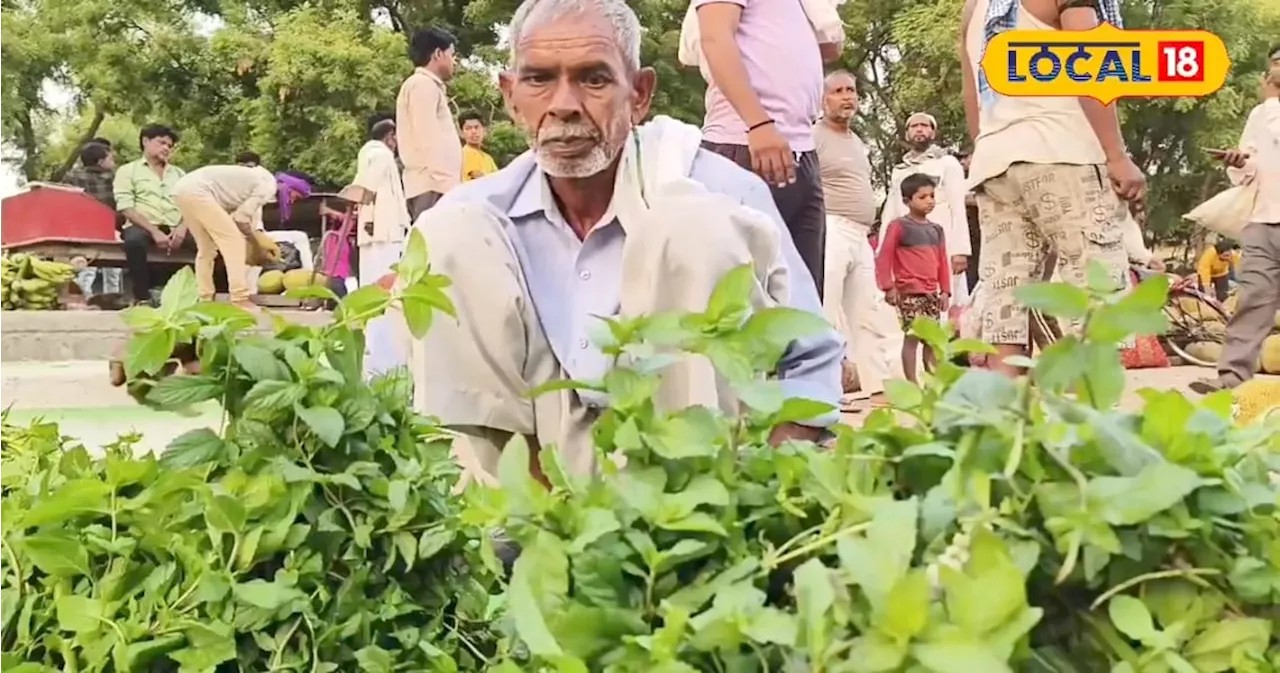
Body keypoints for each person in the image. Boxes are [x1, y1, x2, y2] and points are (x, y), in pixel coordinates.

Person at [403, 0, 842, 484]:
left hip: (701, 487)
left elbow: (813, 363)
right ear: (510, 96)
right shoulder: (483, 215)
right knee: (450, 235)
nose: (564, 104)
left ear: (639, 94)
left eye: (593, 79)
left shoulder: (718, 190)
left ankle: (690, 517)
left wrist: (759, 491)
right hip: (540, 487)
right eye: (538, 79)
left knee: (693, 227)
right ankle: (532, 529)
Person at [959, 0, 1145, 377]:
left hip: (996, 161)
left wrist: (992, 150)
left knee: (1006, 300)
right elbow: (1091, 67)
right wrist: (1116, 155)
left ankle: (1003, 423)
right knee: (1095, 290)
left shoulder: (975, 6)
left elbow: (973, 95)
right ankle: (1087, 423)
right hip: (1063, 151)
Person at [692, 0, 841, 296]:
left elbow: (832, 49)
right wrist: (758, 124)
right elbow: (714, 37)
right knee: (737, 298)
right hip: (744, 142)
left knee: (804, 300)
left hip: (801, 148)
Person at [812, 71, 902, 407]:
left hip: (860, 234)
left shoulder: (857, 140)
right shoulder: (814, 135)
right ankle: (822, 392)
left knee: (868, 311)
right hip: (831, 227)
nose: (847, 97)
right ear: (823, 100)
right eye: (838, 91)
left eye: (851, 90)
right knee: (826, 308)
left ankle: (878, 388)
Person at [1191, 66, 1280, 394]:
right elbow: (1249, 169)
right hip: (1262, 220)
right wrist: (1238, 162)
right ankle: (1231, 378)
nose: (1276, 68)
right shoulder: (1259, 115)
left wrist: (1272, 101)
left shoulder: (1268, 110)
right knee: (1252, 301)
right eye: (1274, 63)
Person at [881, 112, 971, 304]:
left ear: (933, 132)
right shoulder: (900, 170)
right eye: (914, 126)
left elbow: (958, 207)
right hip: (907, 248)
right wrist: (882, 248)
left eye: (924, 125)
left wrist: (961, 250)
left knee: (946, 303)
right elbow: (891, 211)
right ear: (907, 134)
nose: (919, 129)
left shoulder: (947, 164)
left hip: (941, 244)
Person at [170, 155, 280, 307]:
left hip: (180, 190)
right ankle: (239, 298)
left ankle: (205, 298)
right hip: (199, 191)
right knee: (234, 242)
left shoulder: (247, 181)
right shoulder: (268, 186)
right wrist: (255, 242)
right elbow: (241, 219)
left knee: (206, 249)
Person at [876, 174, 951, 383]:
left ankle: (932, 382)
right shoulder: (899, 226)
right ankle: (912, 384)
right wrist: (888, 287)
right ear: (907, 201)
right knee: (912, 337)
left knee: (931, 340)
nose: (929, 201)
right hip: (908, 291)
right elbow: (884, 257)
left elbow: (942, 262)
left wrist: (945, 291)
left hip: (931, 293)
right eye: (922, 197)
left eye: (932, 196)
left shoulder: (936, 230)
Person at [353, 118, 412, 376]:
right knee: (386, 293)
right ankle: (386, 357)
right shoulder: (381, 156)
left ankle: (379, 354)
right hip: (384, 232)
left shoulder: (369, 154)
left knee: (376, 291)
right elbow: (365, 188)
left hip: (376, 230)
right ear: (390, 136)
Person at [113, 124, 190, 305]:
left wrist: (183, 227)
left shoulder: (179, 174)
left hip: (176, 225)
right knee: (134, 242)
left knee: (210, 242)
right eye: (162, 142)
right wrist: (155, 232)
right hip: (142, 225)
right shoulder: (127, 171)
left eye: (170, 146)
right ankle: (142, 297)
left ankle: (205, 295)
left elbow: (191, 205)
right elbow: (126, 207)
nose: (166, 148)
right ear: (145, 141)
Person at [396, 27, 462, 221]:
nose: (454, 61)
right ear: (438, 54)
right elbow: (428, 138)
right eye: (452, 55)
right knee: (436, 248)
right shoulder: (421, 84)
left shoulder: (426, 85)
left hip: (436, 186)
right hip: (433, 186)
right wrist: (445, 184)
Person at [64, 142, 124, 296]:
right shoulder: (114, 177)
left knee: (87, 268)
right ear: (101, 161)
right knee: (113, 270)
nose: (113, 163)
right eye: (111, 159)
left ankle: (84, 296)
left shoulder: (71, 176)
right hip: (110, 227)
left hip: (82, 229)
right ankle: (113, 296)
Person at [459, 111, 500, 181]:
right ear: (462, 133)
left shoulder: (488, 158)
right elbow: (478, 179)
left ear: (484, 130)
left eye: (476, 127)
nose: (473, 131)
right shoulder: (466, 153)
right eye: (468, 128)